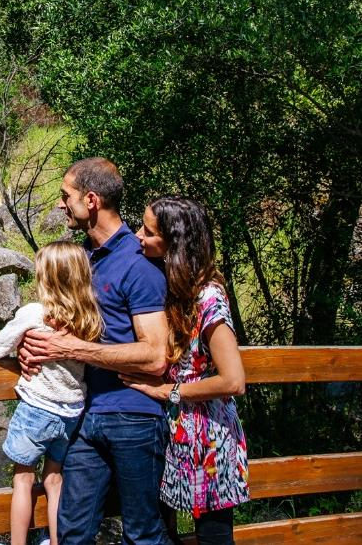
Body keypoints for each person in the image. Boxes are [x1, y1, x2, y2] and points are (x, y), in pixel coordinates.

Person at [20, 158, 171, 545]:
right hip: (86, 416)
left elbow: (155, 355)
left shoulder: (139, 265)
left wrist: (73, 347)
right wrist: (30, 347)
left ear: (91, 200)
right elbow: (60, 323)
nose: (60, 204)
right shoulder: (80, 258)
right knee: (71, 532)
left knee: (142, 533)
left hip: (135, 417)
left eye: (64, 196)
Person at [123, 196, 249, 545]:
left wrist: (170, 392)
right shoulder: (174, 288)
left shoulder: (209, 298)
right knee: (162, 530)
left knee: (213, 537)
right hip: (174, 430)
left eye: (148, 232)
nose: (138, 237)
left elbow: (234, 380)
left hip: (209, 434)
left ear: (174, 243)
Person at [0, 241, 103, 545]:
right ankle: (56, 541)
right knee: (54, 478)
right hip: (71, 413)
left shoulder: (36, 313)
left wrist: (18, 355)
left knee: (23, 479)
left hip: (37, 408)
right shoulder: (89, 318)